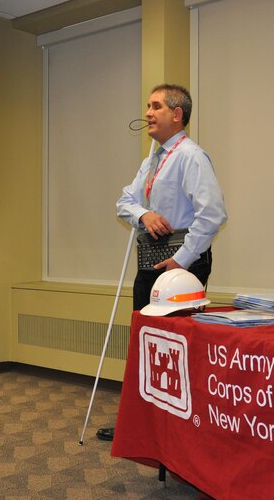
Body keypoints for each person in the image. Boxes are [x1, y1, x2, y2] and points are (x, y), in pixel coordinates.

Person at [96, 83, 227, 441]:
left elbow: (213, 215)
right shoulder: (152, 157)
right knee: (144, 340)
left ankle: (177, 431)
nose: (148, 113)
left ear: (176, 114)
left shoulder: (191, 156)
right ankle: (140, 425)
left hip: (183, 266)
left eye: (155, 106)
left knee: (175, 348)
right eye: (148, 106)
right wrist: (144, 215)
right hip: (150, 261)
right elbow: (124, 201)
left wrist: (181, 261)